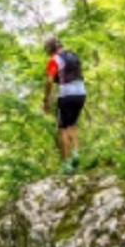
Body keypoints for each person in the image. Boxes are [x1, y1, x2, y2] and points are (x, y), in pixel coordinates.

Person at [42, 37, 86, 175]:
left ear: (49, 50)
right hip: (81, 93)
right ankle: (76, 154)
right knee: (72, 125)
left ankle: (67, 164)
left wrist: (46, 100)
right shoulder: (73, 55)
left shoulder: (54, 60)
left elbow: (49, 81)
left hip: (66, 95)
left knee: (62, 129)